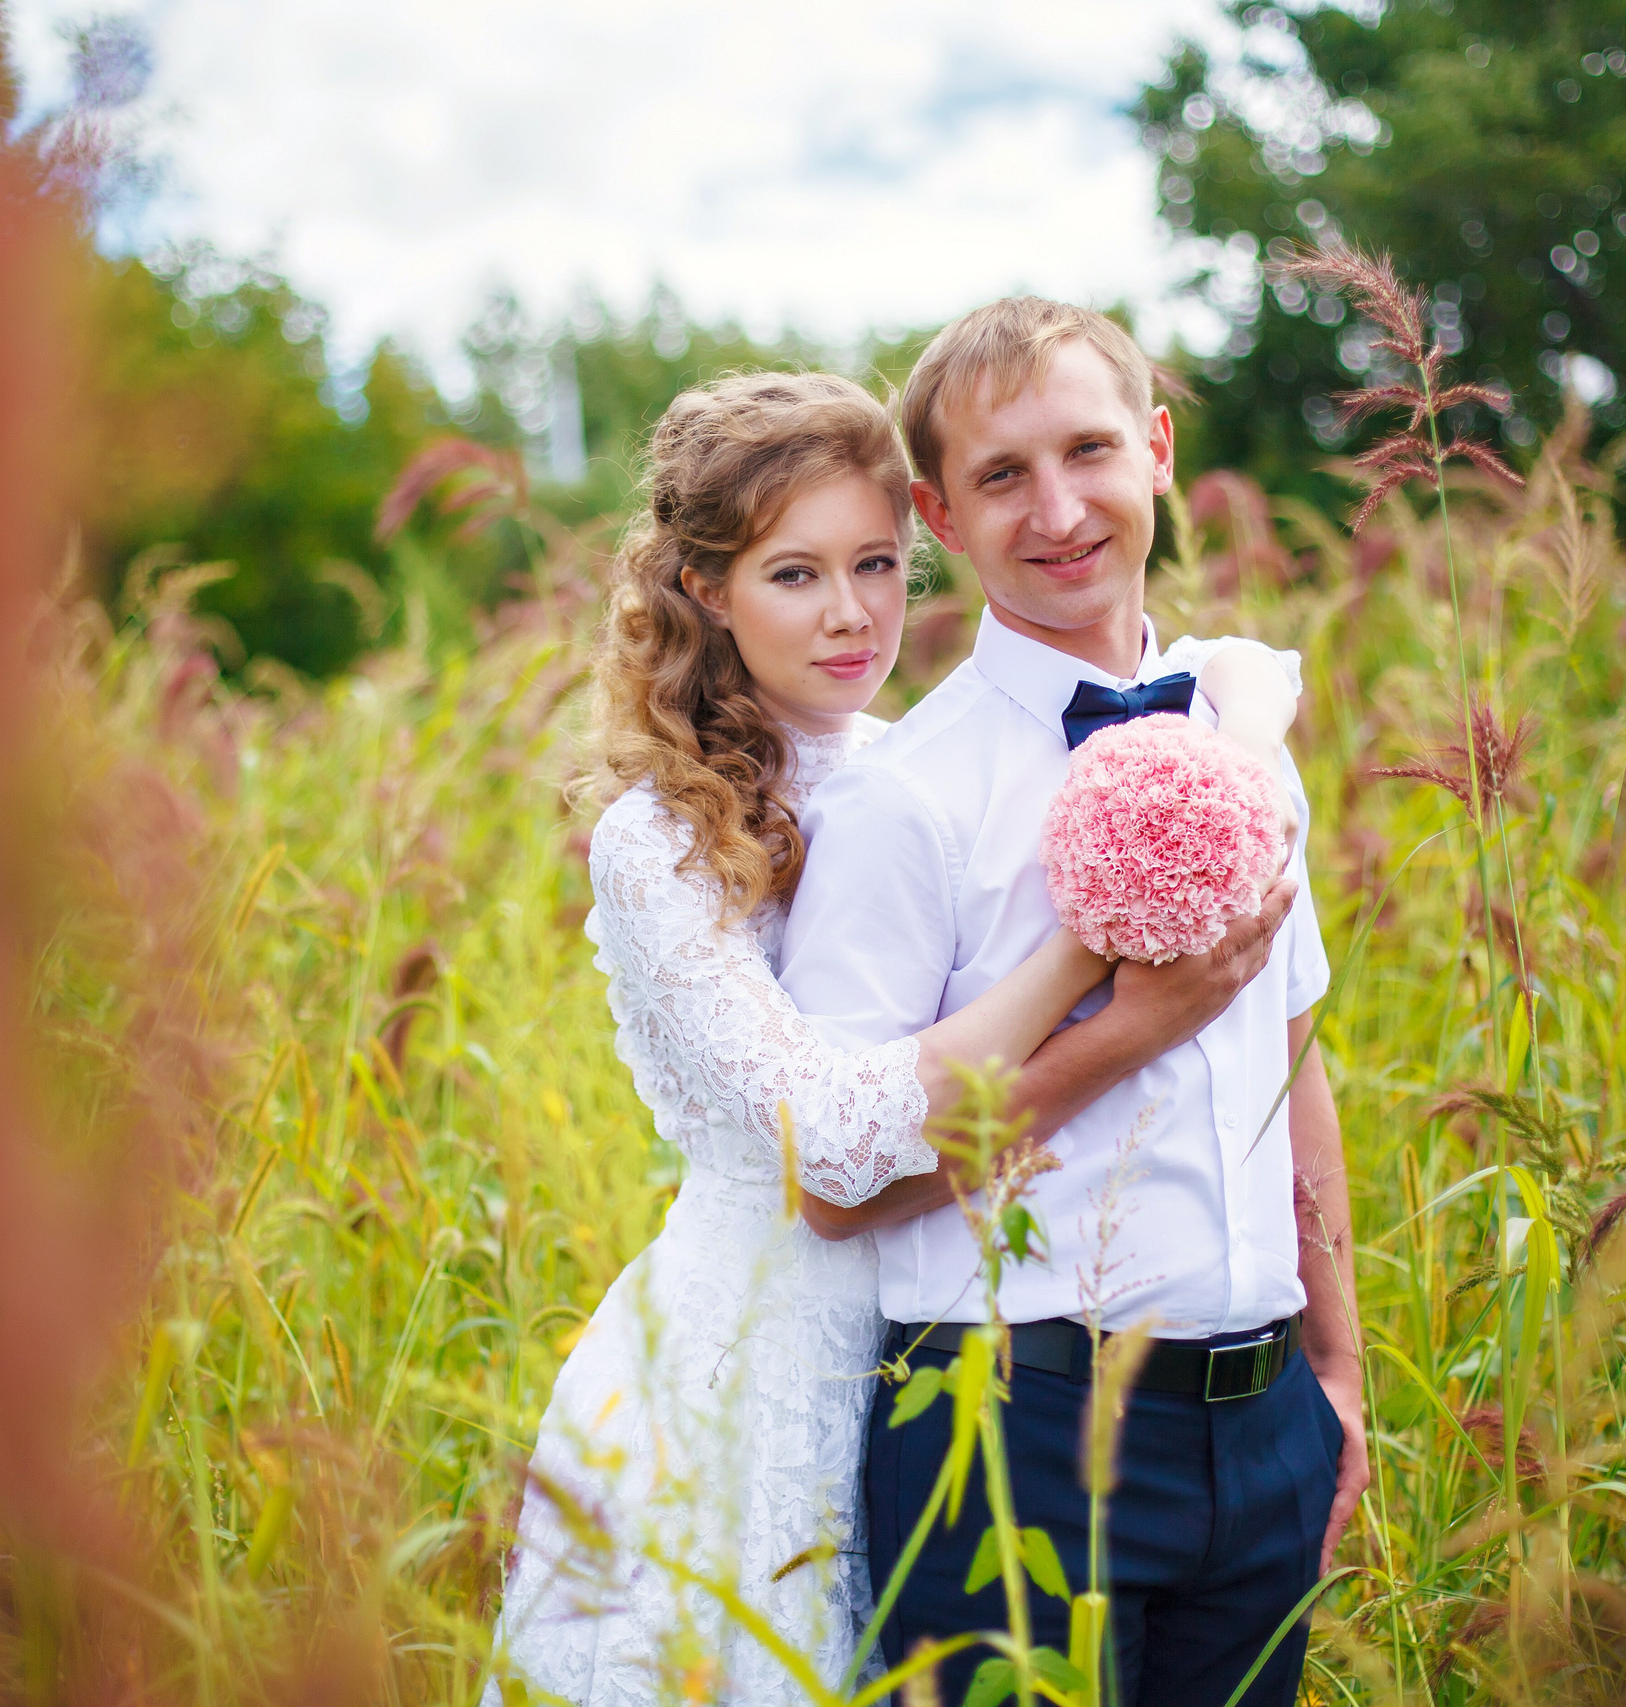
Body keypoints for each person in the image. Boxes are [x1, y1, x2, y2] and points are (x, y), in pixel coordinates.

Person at [486, 369, 1309, 1705]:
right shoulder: (659, 839)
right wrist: (1094, 943)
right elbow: (837, 1137)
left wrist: (1241, 703)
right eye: (795, 574)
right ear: (706, 589)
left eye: (875, 564)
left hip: (952, 1363)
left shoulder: (909, 765)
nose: (853, 612)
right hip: (757, 1374)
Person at [779, 299, 1370, 1706]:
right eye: (1001, 475)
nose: (1057, 510)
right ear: (939, 514)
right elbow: (835, 1191)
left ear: (1156, 449)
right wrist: (1127, 1035)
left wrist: (1339, 1373)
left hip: (1263, 1425)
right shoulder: (901, 804)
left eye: (1088, 450)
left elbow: (1294, 1060)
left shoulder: (1244, 737)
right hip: (1012, 1435)